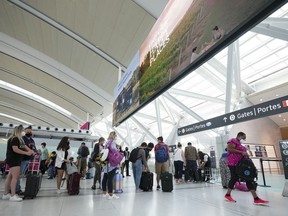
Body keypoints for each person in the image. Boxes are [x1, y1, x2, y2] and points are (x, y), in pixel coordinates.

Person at [224, 132, 269, 204]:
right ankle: (228, 195)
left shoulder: (239, 144)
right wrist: (241, 152)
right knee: (234, 177)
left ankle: (256, 199)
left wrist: (245, 154)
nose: (244, 139)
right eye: (243, 137)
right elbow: (229, 149)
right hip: (233, 163)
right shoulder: (232, 140)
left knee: (248, 178)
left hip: (241, 163)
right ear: (239, 136)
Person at [2, 125, 34, 202]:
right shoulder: (15, 138)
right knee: (15, 177)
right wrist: (26, 153)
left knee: (10, 176)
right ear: (19, 131)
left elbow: (25, 147)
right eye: (23, 130)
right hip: (14, 160)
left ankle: (6, 194)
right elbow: (15, 149)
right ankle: (13, 195)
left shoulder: (18, 139)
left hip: (13, 160)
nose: (24, 132)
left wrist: (30, 151)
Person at [16, 125, 37, 195]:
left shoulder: (32, 140)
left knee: (21, 175)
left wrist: (35, 152)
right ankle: (16, 189)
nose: (29, 132)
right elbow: (22, 147)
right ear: (25, 131)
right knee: (18, 175)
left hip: (28, 159)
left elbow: (34, 148)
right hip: (22, 159)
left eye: (30, 131)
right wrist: (29, 150)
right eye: (28, 131)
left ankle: (17, 188)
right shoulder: (22, 138)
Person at [102, 131, 120, 199]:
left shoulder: (107, 142)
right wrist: (117, 148)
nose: (116, 137)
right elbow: (114, 151)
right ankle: (110, 194)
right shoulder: (112, 142)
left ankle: (104, 193)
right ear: (114, 135)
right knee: (110, 178)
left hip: (106, 162)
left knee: (105, 177)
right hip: (112, 163)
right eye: (116, 135)